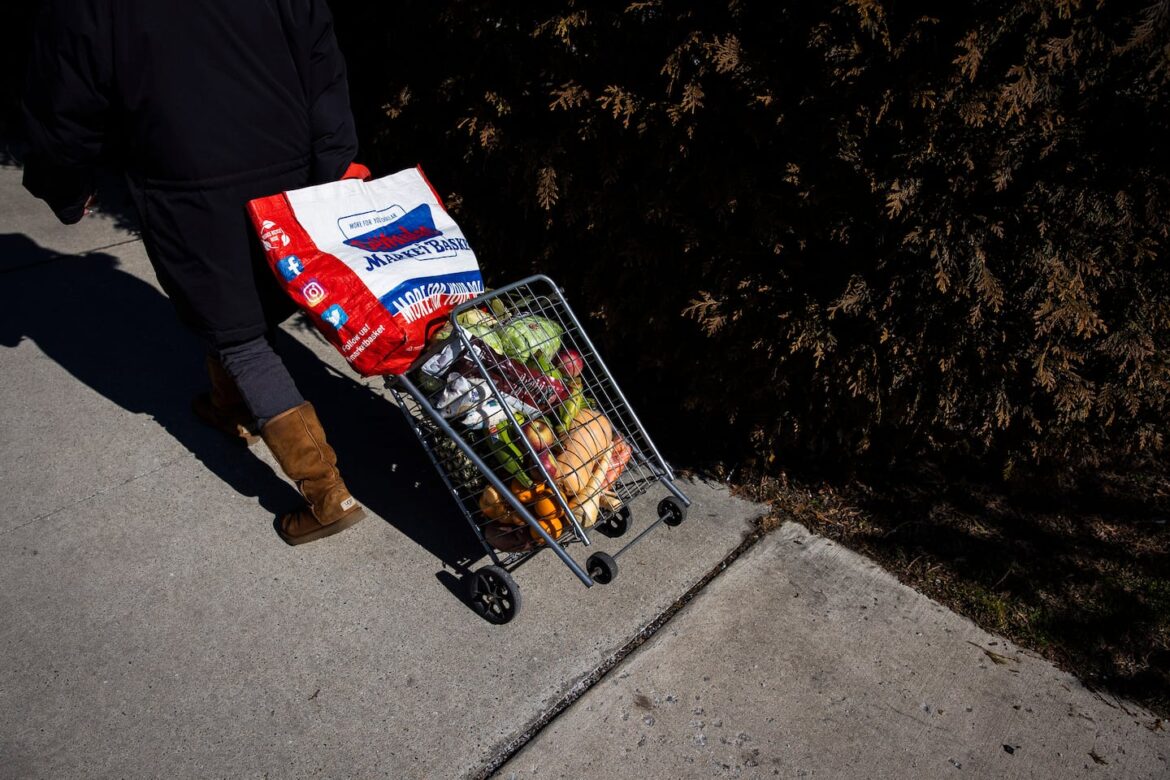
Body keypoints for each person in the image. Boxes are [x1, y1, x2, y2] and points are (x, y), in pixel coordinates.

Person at [22, 0, 366, 545]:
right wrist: (333, 159)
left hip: (187, 178)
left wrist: (64, 185)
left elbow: (65, 98)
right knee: (240, 298)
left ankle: (327, 493)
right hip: (287, 154)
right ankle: (230, 408)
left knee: (236, 331)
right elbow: (319, 53)